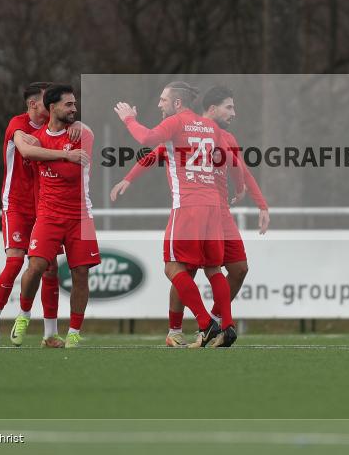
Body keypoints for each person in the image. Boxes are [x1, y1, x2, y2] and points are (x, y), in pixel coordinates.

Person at [111, 85, 268, 347]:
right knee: (210, 269)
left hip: (190, 206)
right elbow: (234, 165)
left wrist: (129, 118)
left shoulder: (179, 125)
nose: (160, 104)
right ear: (212, 108)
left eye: (163, 100)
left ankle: (207, 324)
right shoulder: (212, 130)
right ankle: (213, 327)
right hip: (210, 208)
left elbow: (149, 140)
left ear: (177, 103)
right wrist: (240, 188)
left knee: (175, 267)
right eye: (229, 107)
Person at [0, 82, 86, 349]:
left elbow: (77, 132)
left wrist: (76, 129)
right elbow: (27, 151)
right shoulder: (18, 124)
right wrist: (66, 156)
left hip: (44, 207)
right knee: (15, 262)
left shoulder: (60, 129)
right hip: (15, 204)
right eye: (45, 101)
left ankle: (50, 333)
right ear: (33, 105)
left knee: (49, 269)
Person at [10, 84, 99, 349]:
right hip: (48, 215)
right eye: (68, 104)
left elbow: (72, 173)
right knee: (36, 266)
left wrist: (50, 155)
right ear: (52, 108)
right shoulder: (36, 138)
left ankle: (73, 332)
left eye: (75, 104)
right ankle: (24, 314)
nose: (74, 108)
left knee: (80, 273)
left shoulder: (81, 134)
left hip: (80, 216)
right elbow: (27, 150)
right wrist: (62, 155)